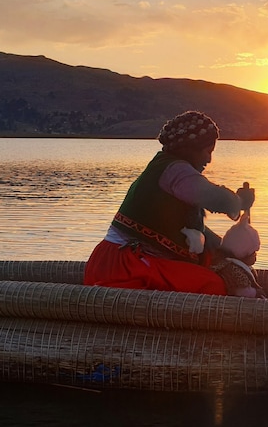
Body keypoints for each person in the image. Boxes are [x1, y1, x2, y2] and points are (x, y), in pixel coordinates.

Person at [83, 111, 256, 295]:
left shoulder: (168, 168)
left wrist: (230, 252)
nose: (209, 159)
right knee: (212, 284)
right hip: (123, 265)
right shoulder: (175, 170)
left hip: (133, 260)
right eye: (207, 151)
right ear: (190, 148)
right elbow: (215, 198)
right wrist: (240, 201)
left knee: (213, 262)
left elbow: (195, 230)